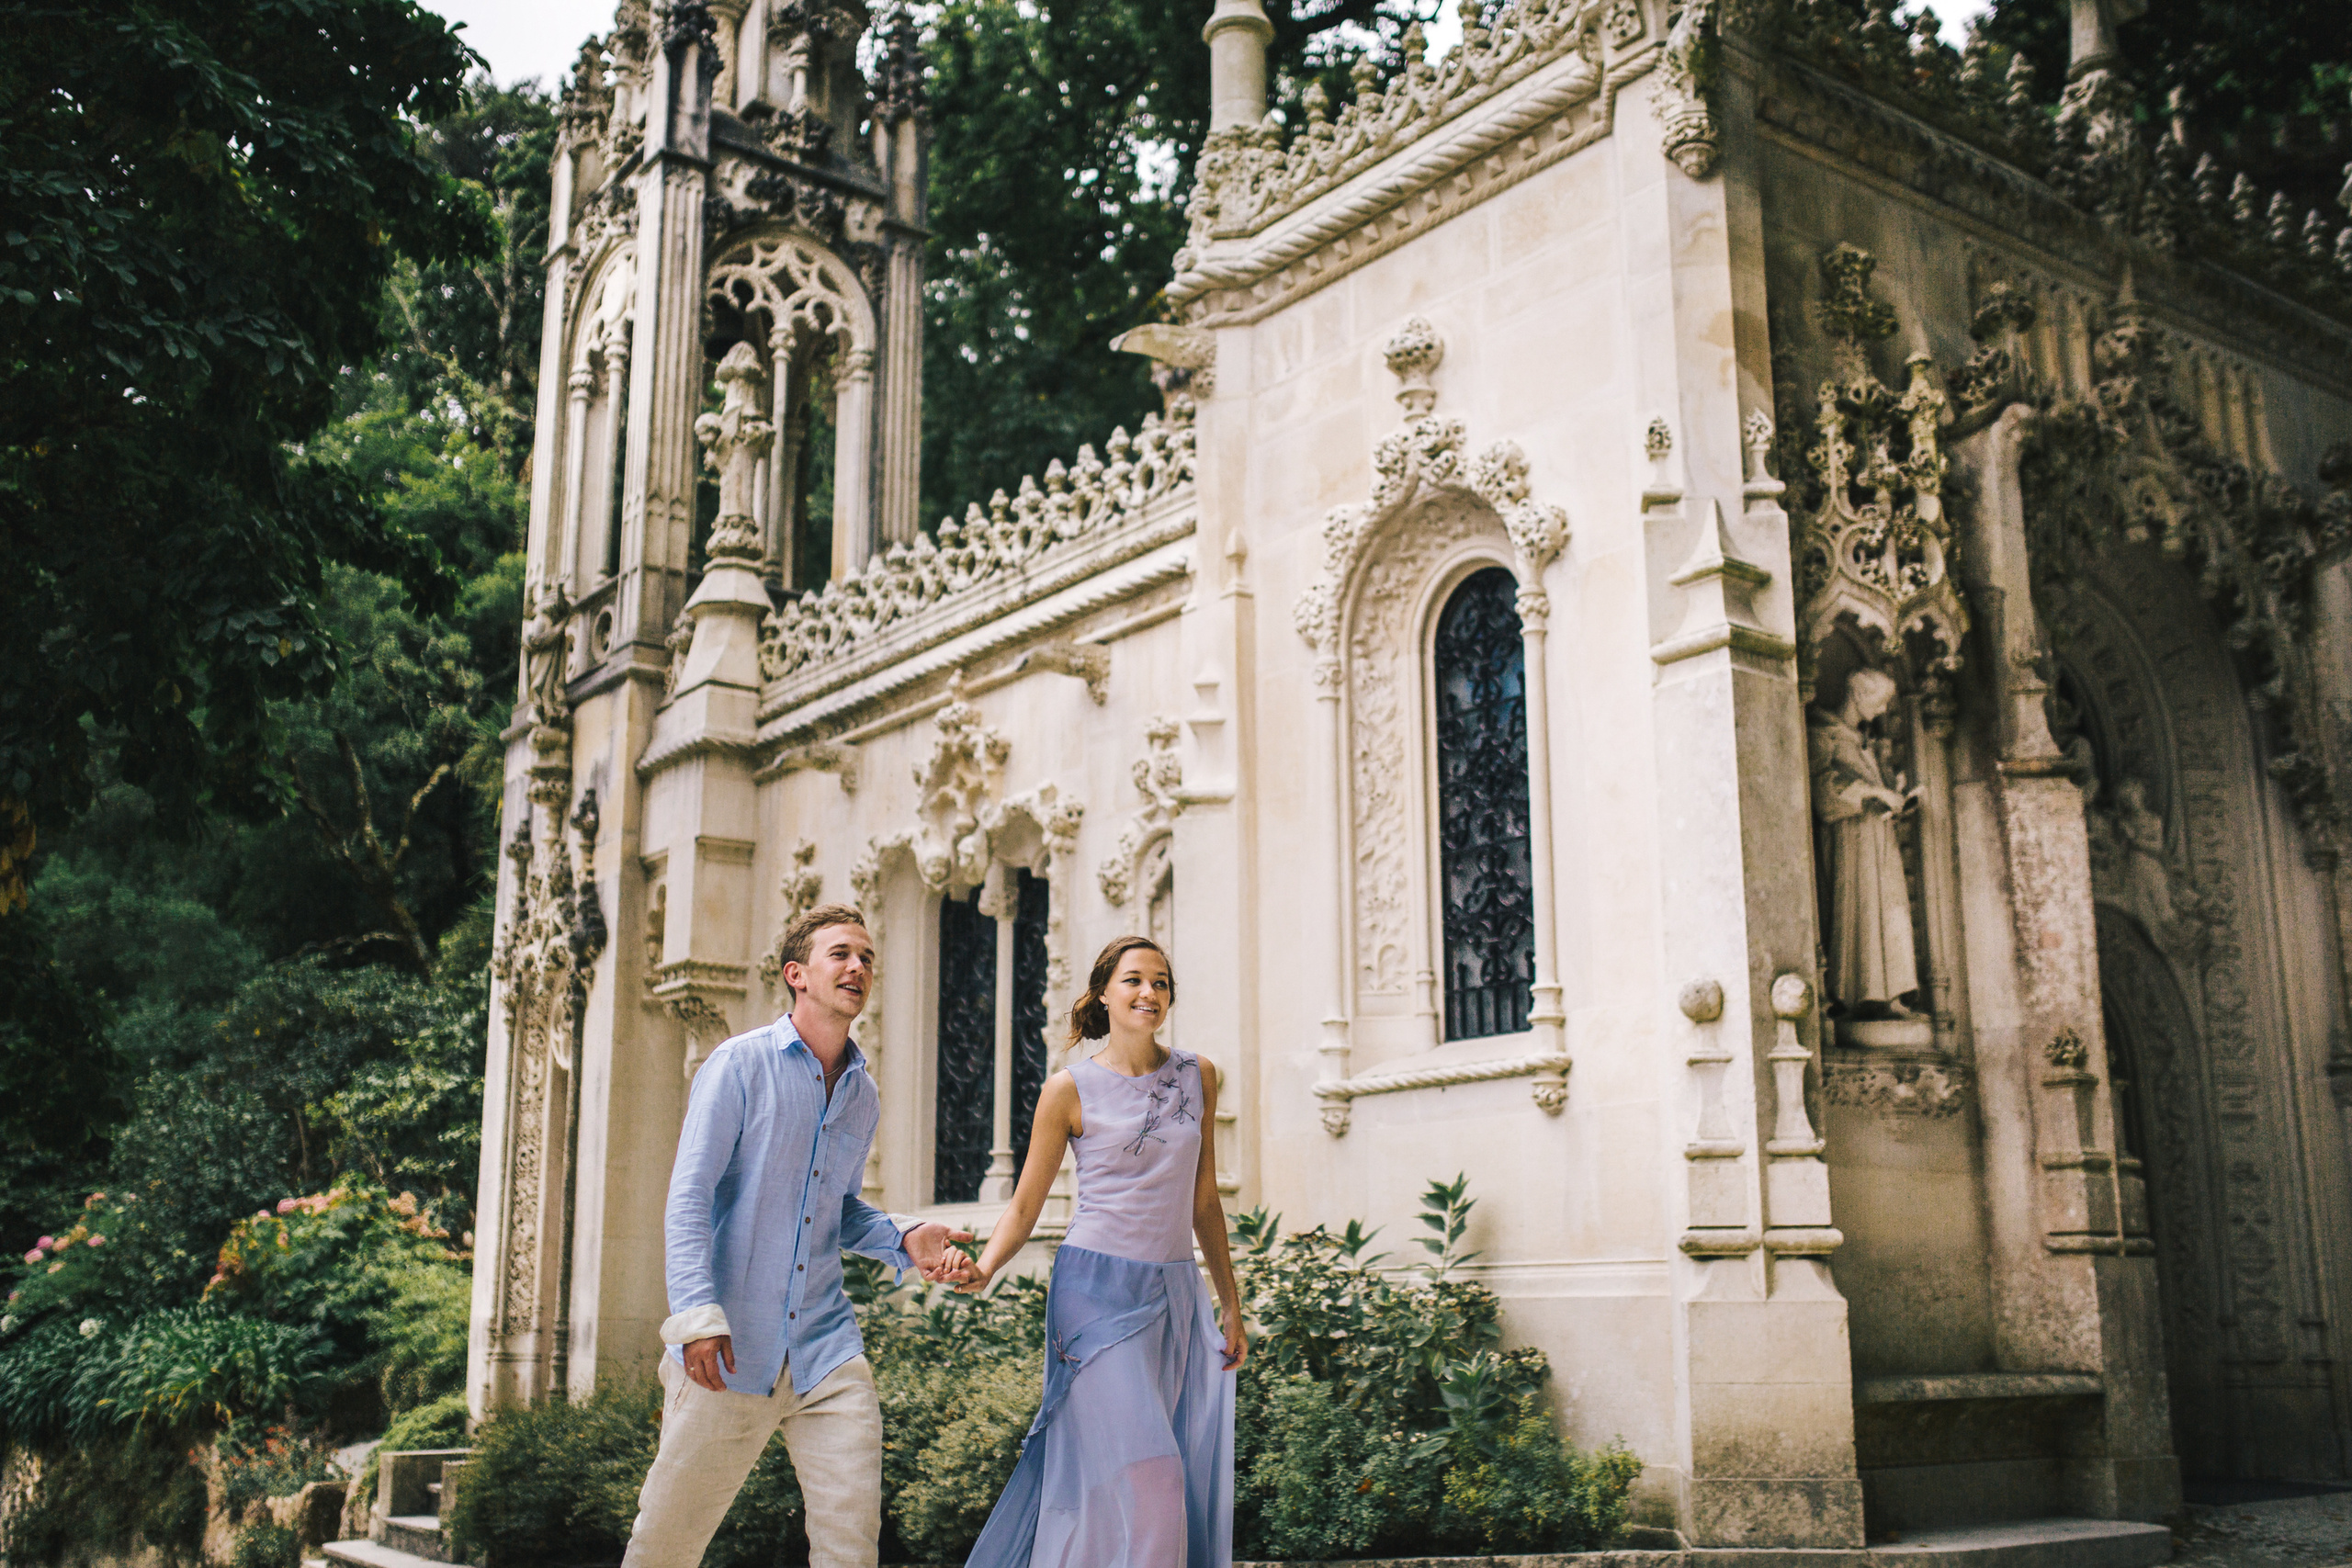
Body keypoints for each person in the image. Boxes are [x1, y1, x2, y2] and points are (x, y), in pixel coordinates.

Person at [620, 904, 973, 1568]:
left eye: (867, 957)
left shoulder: (862, 1094)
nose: (858, 967)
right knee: (666, 1542)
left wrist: (906, 1236)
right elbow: (689, 1195)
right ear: (798, 974)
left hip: (825, 1351)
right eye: (840, 953)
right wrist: (696, 1316)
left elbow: (835, 1211)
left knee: (850, 1546)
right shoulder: (738, 1066)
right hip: (728, 1352)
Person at [956, 935, 1244, 1568]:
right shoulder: (1068, 1088)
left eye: (1162, 982)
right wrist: (984, 1264)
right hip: (1092, 1297)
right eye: (1135, 979)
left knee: (1128, 1484)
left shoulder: (1199, 1075)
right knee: (1157, 1474)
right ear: (1104, 994)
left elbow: (1203, 1201)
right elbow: (1026, 1206)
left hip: (1171, 1295)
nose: (1150, 992)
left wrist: (1230, 1302)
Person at [1808, 666, 1923, 1016]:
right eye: (1880, 701)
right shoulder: (1824, 733)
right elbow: (1821, 787)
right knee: (1858, 908)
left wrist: (1893, 795)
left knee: (1888, 908)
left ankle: (1890, 992)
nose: (1884, 710)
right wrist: (1872, 793)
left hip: (1876, 837)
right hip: (1850, 837)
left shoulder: (1863, 741)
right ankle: (1856, 993)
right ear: (1858, 695)